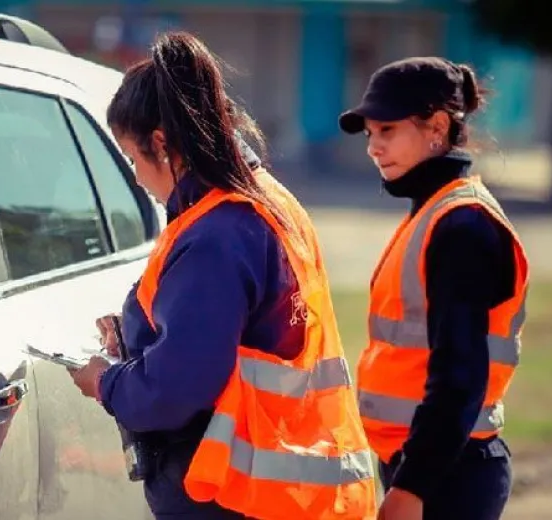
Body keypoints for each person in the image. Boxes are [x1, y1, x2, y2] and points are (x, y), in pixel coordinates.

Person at [67, 31, 376, 520]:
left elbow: (175, 388)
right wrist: (130, 330)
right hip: (289, 479)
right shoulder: (264, 200)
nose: (136, 176)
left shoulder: (218, 233)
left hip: (238, 494)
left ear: (162, 143)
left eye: (132, 158)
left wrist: (104, 382)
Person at [337, 57, 529, 520]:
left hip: (447, 476)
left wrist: (413, 488)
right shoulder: (435, 211)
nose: (374, 148)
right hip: (433, 465)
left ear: (437, 127)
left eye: (387, 130)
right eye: (370, 134)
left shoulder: (461, 226)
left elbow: (459, 378)